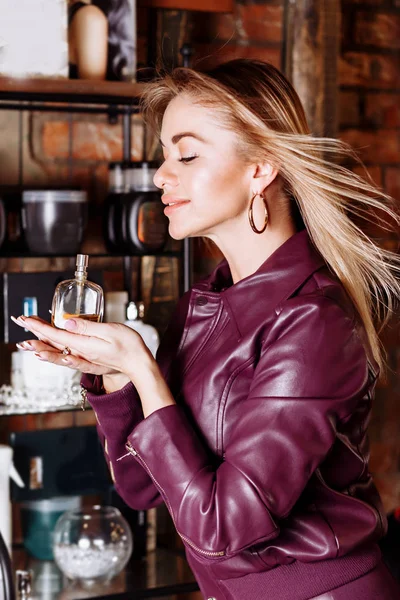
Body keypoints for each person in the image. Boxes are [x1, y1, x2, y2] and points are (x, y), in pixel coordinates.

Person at [13, 59, 400, 599]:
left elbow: (225, 527)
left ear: (261, 168)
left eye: (187, 154)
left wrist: (146, 372)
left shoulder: (313, 320)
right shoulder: (207, 301)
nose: (160, 174)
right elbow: (143, 487)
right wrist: (119, 380)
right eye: (165, 153)